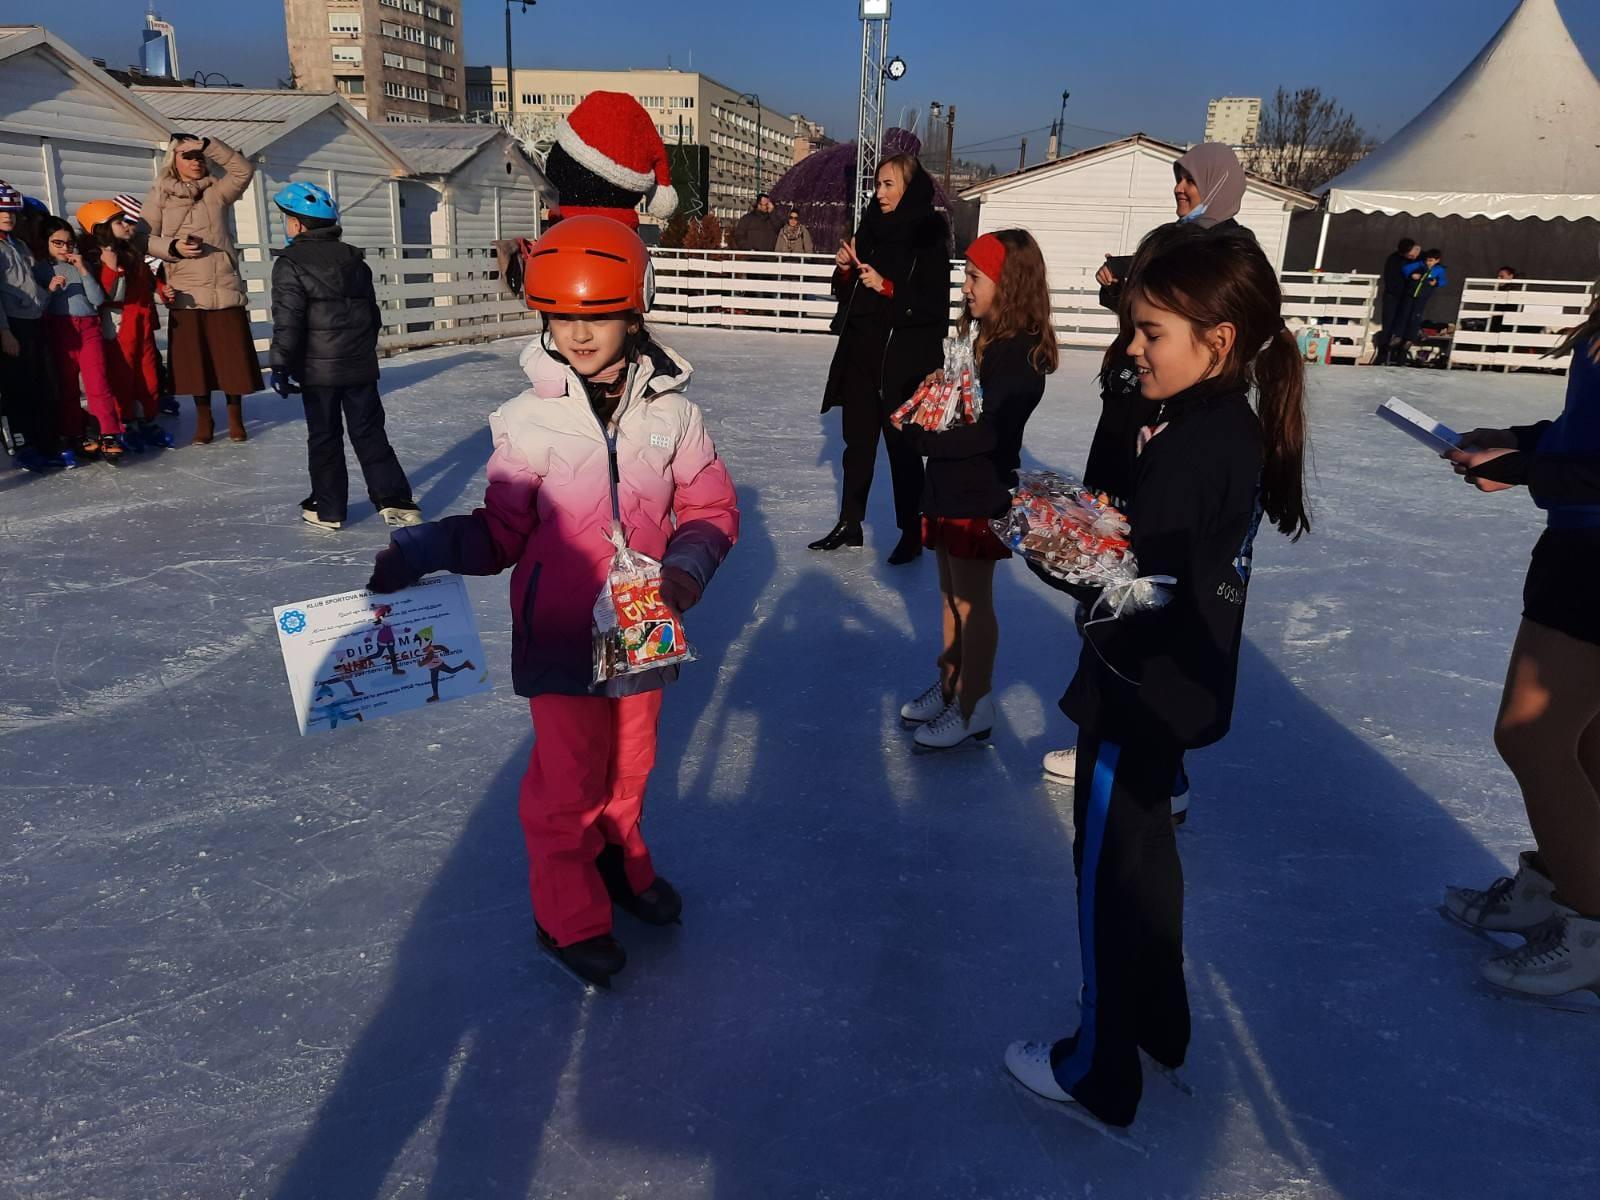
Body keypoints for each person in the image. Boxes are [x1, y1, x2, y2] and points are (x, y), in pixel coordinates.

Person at [364, 216, 739, 989]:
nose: (578, 333)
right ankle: (566, 912)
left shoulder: (673, 413)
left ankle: (619, 861)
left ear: (634, 308)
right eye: (562, 316)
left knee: (631, 766)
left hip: (641, 624)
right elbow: (500, 533)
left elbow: (710, 509)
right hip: (561, 630)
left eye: (596, 315)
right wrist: (420, 548)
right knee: (568, 780)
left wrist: (687, 570)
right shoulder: (526, 423)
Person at [1004, 225, 1310, 1132]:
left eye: (1150, 335)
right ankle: (1162, 1027)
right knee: (1146, 855)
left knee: (1105, 871)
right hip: (1175, 690)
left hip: (1139, 688)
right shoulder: (1213, 420)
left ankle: (1100, 1068)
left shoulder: (1196, 447)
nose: (1132, 348)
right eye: (1131, 329)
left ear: (1217, 343)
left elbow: (1134, 573)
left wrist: (1049, 548)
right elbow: (1121, 502)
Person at [1042, 142, 1253, 801]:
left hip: (1156, 425)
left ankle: (1153, 758)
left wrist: (1051, 548)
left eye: (1188, 179)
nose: (1180, 189)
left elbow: (1149, 573)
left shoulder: (1224, 253)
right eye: (1178, 179)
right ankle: (1108, 731)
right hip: (1134, 418)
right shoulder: (1175, 244)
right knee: (1120, 583)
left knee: (1144, 584)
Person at [1441, 293, 1600, 1001]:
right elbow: (1585, 433)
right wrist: (1516, 443)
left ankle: (1591, 928)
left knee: (1531, 737)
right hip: (1574, 545)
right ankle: (1562, 884)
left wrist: (1525, 468)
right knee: (1583, 746)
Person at [895, 230, 1056, 750]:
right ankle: (950, 688)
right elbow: (956, 406)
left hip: (977, 492)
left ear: (1007, 285)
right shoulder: (974, 339)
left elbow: (991, 431)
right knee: (947, 597)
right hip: (947, 486)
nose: (965, 287)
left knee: (971, 603)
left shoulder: (1017, 355)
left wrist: (927, 441)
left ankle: (974, 704)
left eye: (975, 277)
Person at [811, 154, 949, 564]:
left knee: (903, 452)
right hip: (860, 355)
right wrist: (845, 272)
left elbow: (933, 307)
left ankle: (912, 530)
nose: (880, 192)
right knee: (857, 446)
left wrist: (887, 287)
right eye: (878, 184)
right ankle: (850, 523)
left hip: (903, 363)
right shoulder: (869, 228)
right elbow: (849, 293)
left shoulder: (928, 236)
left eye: (889, 184)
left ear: (909, 187)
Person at [267, 182, 422, 532]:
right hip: (359, 365)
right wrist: (362, 352)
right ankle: (395, 500)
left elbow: (288, 319)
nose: (286, 224)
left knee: (325, 436)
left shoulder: (290, 263)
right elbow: (373, 314)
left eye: (287, 218)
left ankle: (329, 507)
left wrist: (280, 363)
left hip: (317, 370)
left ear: (298, 224)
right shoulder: (354, 259)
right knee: (369, 432)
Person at [144, 133, 263, 445]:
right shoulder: (159, 194)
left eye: (200, 157)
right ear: (175, 160)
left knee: (232, 359)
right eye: (189, 156)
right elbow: (143, 238)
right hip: (186, 289)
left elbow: (243, 172)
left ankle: (235, 418)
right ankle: (204, 419)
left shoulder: (217, 191)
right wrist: (174, 247)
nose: (196, 162)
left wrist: (211, 145)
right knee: (195, 361)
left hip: (223, 285)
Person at [77, 199, 173, 451]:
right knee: (124, 374)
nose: (128, 226)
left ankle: (147, 418)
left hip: (140, 320)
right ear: (102, 227)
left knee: (149, 373)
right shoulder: (97, 257)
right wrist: (111, 265)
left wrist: (163, 291)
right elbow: (111, 295)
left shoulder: (130, 252)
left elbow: (146, 284)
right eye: (120, 222)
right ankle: (126, 421)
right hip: (119, 323)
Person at [39, 217, 127, 465]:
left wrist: (83, 270)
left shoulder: (83, 264)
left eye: (69, 243)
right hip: (61, 327)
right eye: (58, 243)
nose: (65, 248)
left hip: (88, 326)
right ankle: (73, 433)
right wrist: (50, 290)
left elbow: (98, 300)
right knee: (67, 384)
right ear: (46, 243)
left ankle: (108, 433)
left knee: (97, 380)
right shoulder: (41, 269)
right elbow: (40, 305)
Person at [0, 180, 61, 472]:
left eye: (11, 212)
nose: (7, 217)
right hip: (12, 325)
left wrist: (47, 290)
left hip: (34, 320)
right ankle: (24, 444)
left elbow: (33, 281)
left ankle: (46, 441)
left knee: (42, 382)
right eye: (2, 211)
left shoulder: (19, 244)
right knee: (18, 388)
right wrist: (4, 331)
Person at [1394, 248, 1448, 362]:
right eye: (1428, 260)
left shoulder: (1439, 270)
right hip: (1410, 295)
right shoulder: (1419, 265)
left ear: (1437, 260)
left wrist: (1436, 283)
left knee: (1415, 317)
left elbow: (1443, 281)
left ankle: (1409, 340)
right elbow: (1405, 269)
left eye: (1431, 261)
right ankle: (1398, 336)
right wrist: (1411, 275)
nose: (1429, 263)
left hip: (1422, 297)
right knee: (1404, 315)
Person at [1373, 238, 1421, 364]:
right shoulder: (1394, 260)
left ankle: (1400, 355)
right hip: (1394, 297)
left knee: (1406, 324)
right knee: (1389, 325)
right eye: (1409, 255)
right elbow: (1392, 281)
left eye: (1412, 254)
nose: (1412, 257)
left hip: (1408, 298)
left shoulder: (1419, 259)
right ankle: (1383, 354)